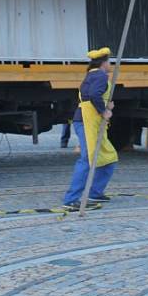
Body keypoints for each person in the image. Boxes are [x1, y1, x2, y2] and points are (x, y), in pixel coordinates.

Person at [62, 47, 118, 210]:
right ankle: (71, 199)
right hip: (87, 122)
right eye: (109, 62)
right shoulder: (100, 75)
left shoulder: (91, 75)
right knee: (88, 159)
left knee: (109, 158)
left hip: (90, 122)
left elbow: (91, 96)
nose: (110, 65)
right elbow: (93, 95)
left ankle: (95, 193)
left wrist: (105, 104)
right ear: (103, 63)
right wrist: (105, 110)